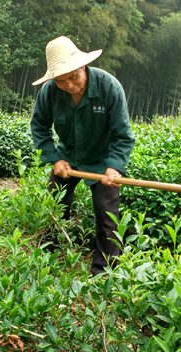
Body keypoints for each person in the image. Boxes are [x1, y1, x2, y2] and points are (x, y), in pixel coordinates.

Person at [30, 36, 135, 276]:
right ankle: (47, 260)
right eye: (60, 81)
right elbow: (39, 127)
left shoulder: (110, 88)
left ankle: (103, 273)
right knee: (53, 207)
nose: (68, 85)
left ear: (83, 66)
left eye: (73, 77)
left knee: (108, 218)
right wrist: (55, 158)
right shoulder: (49, 92)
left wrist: (114, 166)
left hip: (102, 161)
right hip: (68, 158)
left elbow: (123, 135)